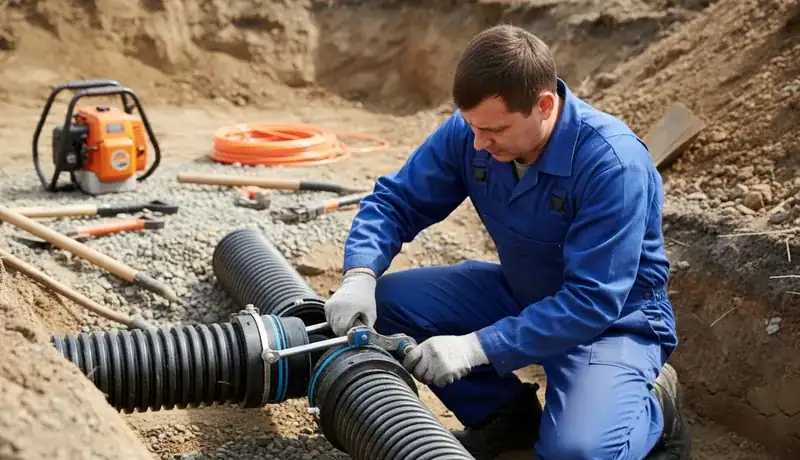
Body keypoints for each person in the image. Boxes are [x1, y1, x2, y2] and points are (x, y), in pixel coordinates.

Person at [324, 24, 691, 460]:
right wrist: (359, 274)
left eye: (495, 129)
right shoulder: (473, 134)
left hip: (610, 324)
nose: (479, 142)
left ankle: (654, 406)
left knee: (577, 453)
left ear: (544, 105)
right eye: (472, 126)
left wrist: (475, 347)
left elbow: (592, 300)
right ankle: (506, 418)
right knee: (388, 303)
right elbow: (396, 201)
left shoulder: (613, 164)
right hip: (524, 292)